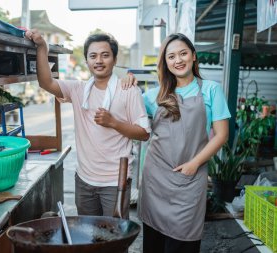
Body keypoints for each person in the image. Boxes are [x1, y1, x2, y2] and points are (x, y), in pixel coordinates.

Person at [25, 29, 150, 218]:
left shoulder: (128, 91)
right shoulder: (78, 89)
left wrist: (114, 123)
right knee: (87, 235)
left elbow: (144, 133)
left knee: (113, 238)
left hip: (115, 181)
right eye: (93, 56)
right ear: (87, 61)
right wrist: (42, 47)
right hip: (84, 180)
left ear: (114, 60)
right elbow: (46, 82)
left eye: (105, 55)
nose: (98, 60)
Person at [139, 33, 231, 253]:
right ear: (165, 63)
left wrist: (194, 163)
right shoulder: (153, 96)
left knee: (184, 243)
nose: (178, 60)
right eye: (171, 56)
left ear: (194, 56)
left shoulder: (210, 89)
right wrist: (127, 84)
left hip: (191, 179)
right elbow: (131, 121)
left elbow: (221, 135)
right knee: (154, 245)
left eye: (183, 53)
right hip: (156, 180)